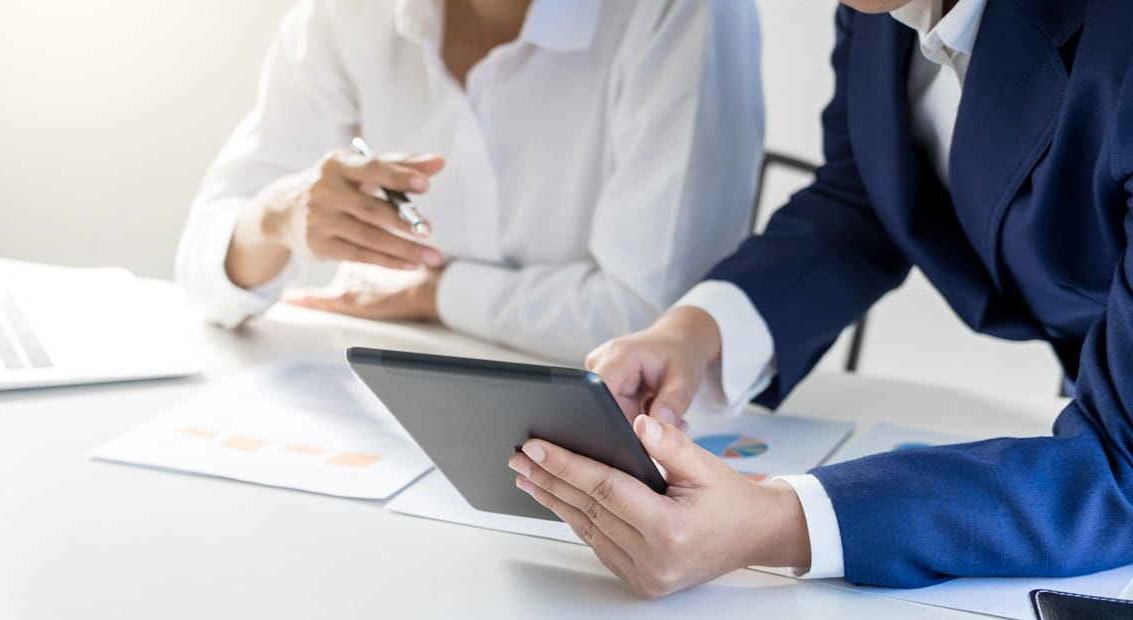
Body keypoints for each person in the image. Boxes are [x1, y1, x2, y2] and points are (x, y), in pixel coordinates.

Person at [508, 0, 1133, 596]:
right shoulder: (878, 15)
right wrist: (697, 332)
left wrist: (779, 521)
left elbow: (1122, 470)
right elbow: (867, 193)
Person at [175, 0, 764, 362]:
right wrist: (276, 217)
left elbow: (648, 321)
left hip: (609, 421)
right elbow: (203, 269)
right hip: (400, 384)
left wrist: (434, 292)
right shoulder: (345, 14)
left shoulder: (681, 9)